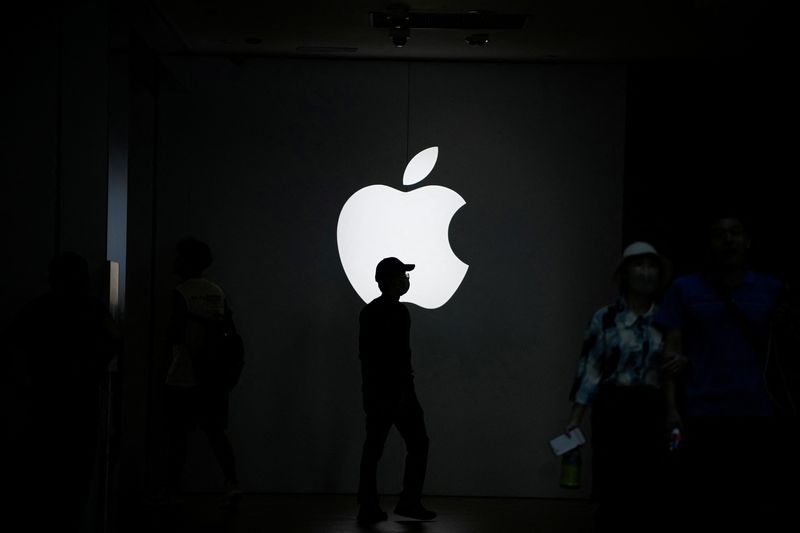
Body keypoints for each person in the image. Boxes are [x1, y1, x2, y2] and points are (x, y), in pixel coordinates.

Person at [656, 213, 791, 529]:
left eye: (735, 233)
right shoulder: (684, 289)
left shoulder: (770, 288)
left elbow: (786, 351)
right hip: (702, 412)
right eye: (719, 234)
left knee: (753, 502)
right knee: (704, 502)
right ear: (709, 242)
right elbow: (670, 352)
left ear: (747, 241)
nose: (728, 240)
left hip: (757, 411)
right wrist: (671, 409)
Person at [8, 252, 119, 532]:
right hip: (81, 403)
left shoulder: (37, 309)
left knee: (41, 476)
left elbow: (13, 349)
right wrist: (91, 369)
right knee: (76, 478)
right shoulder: (93, 309)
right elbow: (113, 342)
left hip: (43, 403)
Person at [565, 242, 672, 533]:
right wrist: (575, 419)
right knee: (612, 485)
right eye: (638, 265)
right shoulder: (605, 317)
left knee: (649, 486)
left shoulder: (666, 319)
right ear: (624, 272)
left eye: (651, 266)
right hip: (613, 407)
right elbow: (590, 368)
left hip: (651, 408)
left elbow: (671, 371)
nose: (645, 272)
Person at [162, 237, 242, 510]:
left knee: (177, 437)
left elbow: (172, 334)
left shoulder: (180, 292)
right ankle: (232, 484)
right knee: (217, 433)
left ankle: (171, 492)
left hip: (183, 374)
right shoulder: (216, 291)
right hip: (214, 375)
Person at [356, 257, 436, 524]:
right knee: (418, 443)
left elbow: (368, 357)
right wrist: (404, 390)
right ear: (390, 280)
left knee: (373, 448)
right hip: (397, 392)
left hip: (376, 392)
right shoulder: (398, 312)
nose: (406, 280)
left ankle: (368, 506)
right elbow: (398, 356)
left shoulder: (369, 312)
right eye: (403, 276)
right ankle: (408, 501)